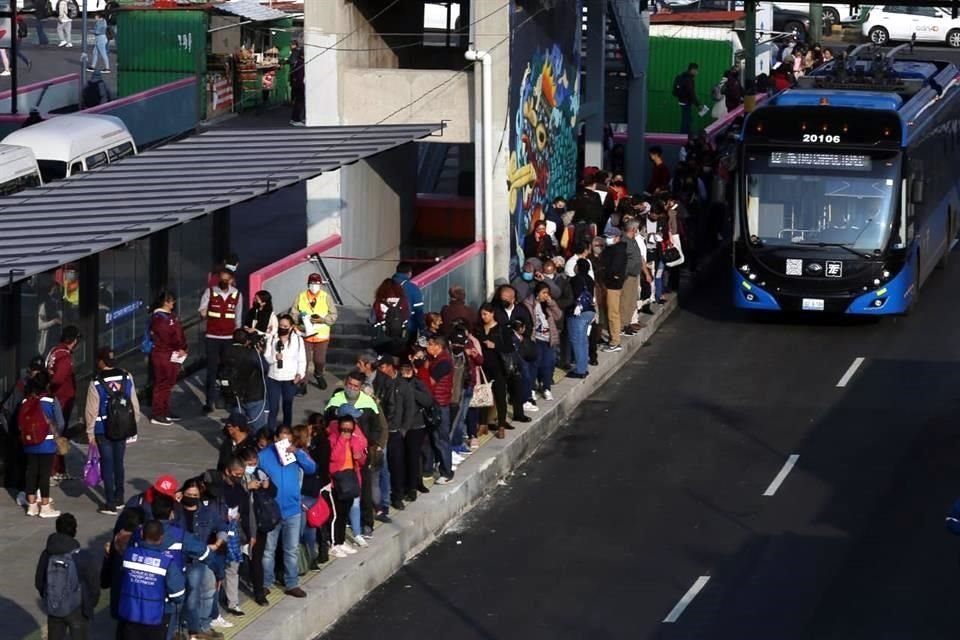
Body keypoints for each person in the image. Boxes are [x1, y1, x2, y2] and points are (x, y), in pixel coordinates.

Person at [257, 425, 316, 598]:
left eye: (289, 440)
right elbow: (255, 473)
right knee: (269, 550)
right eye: (282, 440)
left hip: (293, 510)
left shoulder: (296, 454)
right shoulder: (264, 456)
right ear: (275, 439)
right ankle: (267, 582)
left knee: (291, 549)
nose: (285, 443)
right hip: (272, 512)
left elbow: (312, 468)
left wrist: (297, 452)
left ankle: (292, 583)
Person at [324, 372, 381, 539]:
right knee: (342, 496)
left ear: (361, 387)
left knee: (365, 492)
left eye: (355, 386)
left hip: (360, 459)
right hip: (341, 462)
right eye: (349, 384)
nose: (351, 388)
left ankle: (366, 524)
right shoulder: (336, 401)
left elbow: (376, 428)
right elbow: (327, 422)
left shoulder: (368, 403)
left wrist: (369, 447)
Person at [85, 347, 140, 516]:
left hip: (103, 429)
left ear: (101, 362)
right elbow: (134, 403)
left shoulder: (95, 381)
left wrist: (90, 433)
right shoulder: (126, 376)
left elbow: (91, 411)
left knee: (107, 464)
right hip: (123, 427)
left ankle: (109, 502)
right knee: (119, 463)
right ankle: (120, 497)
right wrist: (133, 424)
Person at [117, 520, 186, 640]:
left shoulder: (127, 555)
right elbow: (178, 594)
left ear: (142, 534)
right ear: (161, 538)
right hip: (154, 619)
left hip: (129, 615)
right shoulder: (166, 562)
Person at [35, 513, 100, 640]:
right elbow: (94, 584)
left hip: (54, 606)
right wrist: (90, 604)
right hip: (77, 608)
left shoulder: (47, 553)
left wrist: (50, 596)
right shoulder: (81, 555)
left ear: (57, 529)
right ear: (74, 531)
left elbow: (39, 581)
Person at [199, 268, 243, 413]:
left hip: (228, 338)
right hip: (212, 337)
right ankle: (209, 401)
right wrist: (204, 313)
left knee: (227, 370)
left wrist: (238, 334)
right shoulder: (210, 292)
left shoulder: (237, 294)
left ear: (231, 280)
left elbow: (238, 317)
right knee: (211, 370)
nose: (224, 282)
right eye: (221, 279)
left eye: (226, 279)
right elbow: (202, 310)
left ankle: (227, 398)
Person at [21, 370, 64, 518]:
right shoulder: (51, 400)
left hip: (29, 442)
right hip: (47, 443)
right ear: (47, 384)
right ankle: (45, 506)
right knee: (44, 474)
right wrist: (57, 433)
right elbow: (61, 422)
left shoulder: (26, 400)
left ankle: (31, 505)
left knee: (31, 472)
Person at [374, 356, 415, 511]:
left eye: (383, 367)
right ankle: (383, 499)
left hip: (396, 431)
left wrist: (403, 429)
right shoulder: (380, 383)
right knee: (383, 467)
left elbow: (409, 408)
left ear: (391, 367)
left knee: (396, 465)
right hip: (383, 431)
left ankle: (397, 496)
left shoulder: (403, 385)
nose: (381, 370)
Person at [326, 412, 368, 558]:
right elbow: (333, 458)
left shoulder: (355, 440)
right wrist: (342, 441)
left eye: (349, 430)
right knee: (337, 514)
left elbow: (362, 460)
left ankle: (341, 540)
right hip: (337, 480)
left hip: (351, 478)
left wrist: (360, 456)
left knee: (345, 512)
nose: (346, 432)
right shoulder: (333, 439)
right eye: (344, 429)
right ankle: (334, 543)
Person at [238, 445, 274, 606]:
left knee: (256, 559)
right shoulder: (237, 477)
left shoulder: (260, 473)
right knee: (235, 561)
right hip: (241, 524)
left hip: (259, 522)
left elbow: (273, 493)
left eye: (254, 462)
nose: (252, 465)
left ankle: (259, 592)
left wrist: (267, 486)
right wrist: (247, 487)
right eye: (249, 463)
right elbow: (231, 497)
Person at [478, 303, 520, 439]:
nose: (483, 317)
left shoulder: (502, 330)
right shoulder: (479, 329)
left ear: (492, 314)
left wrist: (495, 345)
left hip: (499, 367)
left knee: (500, 396)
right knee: (483, 395)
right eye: (482, 314)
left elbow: (509, 348)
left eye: (485, 314)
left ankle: (501, 424)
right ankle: (483, 423)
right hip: (484, 367)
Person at [417, 336, 455, 484]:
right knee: (433, 438)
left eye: (430, 345)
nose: (427, 347)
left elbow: (430, 382)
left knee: (441, 439)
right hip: (433, 403)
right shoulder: (435, 359)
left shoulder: (443, 362)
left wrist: (423, 368)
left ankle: (447, 472)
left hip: (440, 404)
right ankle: (429, 468)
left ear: (438, 346)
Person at [291, 273, 336, 391]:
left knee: (319, 360)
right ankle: (303, 383)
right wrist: (300, 319)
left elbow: (333, 314)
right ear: (308, 284)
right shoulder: (301, 296)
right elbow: (293, 312)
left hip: (321, 334)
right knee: (304, 360)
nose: (314, 286)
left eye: (316, 283)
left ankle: (318, 374)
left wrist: (323, 319)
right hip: (305, 333)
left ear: (320, 284)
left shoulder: (326, 297)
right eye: (312, 283)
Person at [46, 325, 79, 483]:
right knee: (59, 435)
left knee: (56, 433)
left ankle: (58, 469)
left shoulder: (54, 351)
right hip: (62, 399)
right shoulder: (65, 357)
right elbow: (58, 379)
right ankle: (56, 470)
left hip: (56, 399)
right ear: (73, 341)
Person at [149, 291, 187, 427]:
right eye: (171, 301)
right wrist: (179, 347)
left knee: (168, 384)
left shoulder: (170, 317)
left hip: (171, 354)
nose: (173, 304)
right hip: (163, 354)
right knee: (162, 384)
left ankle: (165, 410)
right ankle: (158, 413)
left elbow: (178, 333)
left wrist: (182, 347)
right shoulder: (159, 319)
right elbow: (168, 337)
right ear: (165, 302)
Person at [219, 329, 268, 430]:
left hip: (234, 395)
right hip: (252, 395)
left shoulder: (226, 352)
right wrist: (260, 353)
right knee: (258, 428)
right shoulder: (251, 354)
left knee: (239, 427)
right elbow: (265, 368)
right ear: (247, 341)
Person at [299, 417, 331, 569]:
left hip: (311, 493)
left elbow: (316, 468)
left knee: (314, 525)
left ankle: (315, 555)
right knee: (311, 528)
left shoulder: (313, 449)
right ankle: (311, 558)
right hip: (310, 493)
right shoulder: (306, 451)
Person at [397, 361, 431, 501]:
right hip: (401, 426)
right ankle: (407, 485)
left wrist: (410, 390)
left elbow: (427, 400)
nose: (405, 373)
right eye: (403, 370)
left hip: (416, 426)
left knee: (414, 457)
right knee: (403, 457)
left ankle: (413, 487)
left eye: (408, 370)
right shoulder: (396, 384)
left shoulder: (417, 383)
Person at [264, 314, 306, 429]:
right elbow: (266, 356)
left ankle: (287, 433)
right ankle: (271, 432)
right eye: (281, 325)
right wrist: (274, 358)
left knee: (287, 407)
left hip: (289, 379)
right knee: (273, 408)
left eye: (285, 326)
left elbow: (301, 360)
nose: (282, 328)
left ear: (291, 327)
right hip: (273, 378)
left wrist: (300, 374)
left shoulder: (298, 340)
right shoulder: (273, 338)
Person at [522, 283, 562, 401]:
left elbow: (558, 315)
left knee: (548, 364)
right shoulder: (529, 304)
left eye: (547, 293)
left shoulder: (547, 305)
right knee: (534, 365)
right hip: (536, 339)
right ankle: (532, 389)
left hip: (548, 339)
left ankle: (546, 387)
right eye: (543, 293)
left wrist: (551, 302)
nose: (545, 295)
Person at [567, 258, 597, 379]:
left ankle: (580, 370)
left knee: (577, 342)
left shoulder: (574, 280)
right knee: (584, 341)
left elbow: (571, 296)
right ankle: (583, 367)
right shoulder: (590, 280)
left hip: (578, 313)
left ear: (578, 267)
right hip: (589, 312)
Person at [601, 229, 627, 353]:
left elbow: (614, 268)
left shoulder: (618, 250)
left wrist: (607, 276)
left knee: (613, 313)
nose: (608, 239)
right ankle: (613, 337)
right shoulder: (614, 249)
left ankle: (615, 341)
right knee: (613, 312)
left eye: (610, 237)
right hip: (613, 284)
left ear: (617, 237)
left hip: (613, 285)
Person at [370, 278, 409, 356]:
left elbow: (375, 318)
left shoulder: (379, 301)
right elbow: (406, 316)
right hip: (399, 335)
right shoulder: (403, 301)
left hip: (382, 337)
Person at [392, 262, 425, 344]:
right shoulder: (412, 288)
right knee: (406, 352)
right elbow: (418, 311)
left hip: (388, 326)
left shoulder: (386, 285)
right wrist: (422, 328)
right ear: (409, 273)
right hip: (408, 327)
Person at [675, 62, 700, 134]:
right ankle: (684, 137)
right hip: (686, 101)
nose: (697, 72)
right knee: (687, 120)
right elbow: (691, 93)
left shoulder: (684, 77)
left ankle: (683, 135)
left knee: (686, 119)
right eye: (696, 70)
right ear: (692, 70)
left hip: (682, 100)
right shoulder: (689, 79)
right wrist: (698, 104)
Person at [289, 39, 305, 126]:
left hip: (296, 83)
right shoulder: (301, 63)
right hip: (300, 84)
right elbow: (300, 76)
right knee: (300, 102)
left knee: (299, 101)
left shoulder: (298, 61)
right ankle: (296, 119)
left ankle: (295, 118)